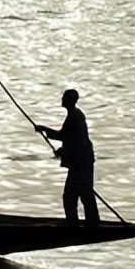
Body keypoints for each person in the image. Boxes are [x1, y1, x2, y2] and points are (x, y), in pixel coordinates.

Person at [35, 89, 100, 225]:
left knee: (80, 194)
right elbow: (72, 139)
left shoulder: (75, 117)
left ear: (70, 100)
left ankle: (88, 224)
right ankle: (79, 222)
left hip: (81, 163)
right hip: (80, 162)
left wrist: (44, 129)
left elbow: (64, 136)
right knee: (75, 195)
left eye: (65, 98)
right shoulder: (75, 115)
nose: (62, 99)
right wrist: (63, 150)